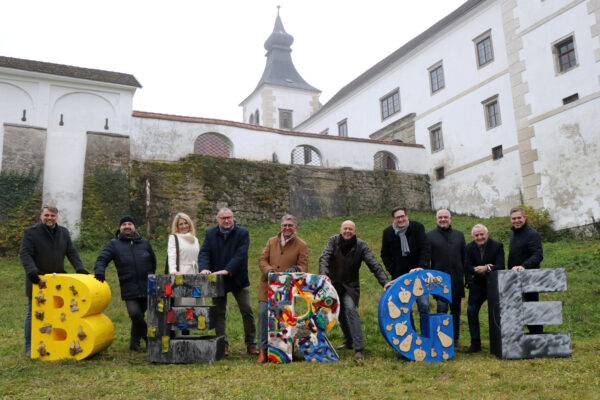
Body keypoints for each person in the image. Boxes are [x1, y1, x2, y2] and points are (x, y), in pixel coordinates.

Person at [19, 205, 89, 356]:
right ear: (41, 216)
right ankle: (29, 346)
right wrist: (31, 271)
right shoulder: (31, 232)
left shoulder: (63, 232)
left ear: (56, 217)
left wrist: (80, 268)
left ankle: (55, 342)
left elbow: (71, 252)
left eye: (52, 216)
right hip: (38, 280)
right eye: (46, 215)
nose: (49, 218)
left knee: (59, 314)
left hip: (58, 281)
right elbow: (25, 253)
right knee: (34, 313)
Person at [319, 220, 392, 360]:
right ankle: (349, 341)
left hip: (350, 286)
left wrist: (385, 282)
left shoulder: (361, 245)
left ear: (355, 231)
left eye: (351, 229)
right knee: (338, 314)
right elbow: (324, 257)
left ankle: (359, 348)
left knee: (350, 309)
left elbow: (374, 264)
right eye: (345, 228)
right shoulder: (333, 241)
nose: (348, 231)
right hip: (333, 285)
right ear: (341, 230)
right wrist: (323, 274)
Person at [198, 208, 257, 357]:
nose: (226, 220)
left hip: (238, 278)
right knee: (219, 313)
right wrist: (204, 268)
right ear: (218, 219)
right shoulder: (210, 233)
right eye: (223, 218)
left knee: (247, 310)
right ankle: (222, 345)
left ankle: (251, 344)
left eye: (229, 217)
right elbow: (204, 252)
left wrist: (227, 270)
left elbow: (240, 255)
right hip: (217, 280)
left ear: (233, 218)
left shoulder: (243, 233)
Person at [94, 216, 156, 351]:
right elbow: (102, 259)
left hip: (147, 285)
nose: (127, 226)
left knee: (139, 315)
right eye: (124, 224)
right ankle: (149, 338)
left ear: (134, 226)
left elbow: (153, 261)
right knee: (134, 313)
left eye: (130, 224)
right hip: (129, 285)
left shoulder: (144, 243)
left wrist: (152, 277)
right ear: (120, 227)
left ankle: (134, 343)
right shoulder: (114, 244)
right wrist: (100, 270)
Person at [257, 214, 308, 363]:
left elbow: (304, 266)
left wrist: (296, 268)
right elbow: (262, 260)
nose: (287, 228)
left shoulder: (302, 245)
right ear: (281, 227)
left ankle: (284, 349)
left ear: (295, 228)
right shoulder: (271, 241)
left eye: (290, 225)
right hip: (267, 287)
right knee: (263, 315)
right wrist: (269, 271)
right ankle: (262, 351)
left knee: (284, 320)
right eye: (284, 225)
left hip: (286, 290)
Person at [381, 207, 430, 329]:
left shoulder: (417, 228)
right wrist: (393, 270)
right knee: (405, 308)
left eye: (403, 216)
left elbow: (425, 248)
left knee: (423, 305)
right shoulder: (387, 233)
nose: (401, 219)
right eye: (398, 217)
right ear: (393, 219)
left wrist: (421, 266)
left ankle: (426, 334)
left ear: (407, 216)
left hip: (418, 274)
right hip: (400, 277)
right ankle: (412, 337)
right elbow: (384, 255)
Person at [426, 209, 466, 345]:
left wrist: (467, 278)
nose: (443, 219)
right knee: (442, 309)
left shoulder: (459, 235)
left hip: (456, 279)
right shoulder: (429, 236)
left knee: (456, 311)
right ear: (436, 219)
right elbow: (427, 259)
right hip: (438, 281)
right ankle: (441, 339)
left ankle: (455, 339)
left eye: (445, 217)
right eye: (440, 217)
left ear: (450, 218)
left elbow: (464, 258)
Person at [464, 224, 505, 353]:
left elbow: (501, 265)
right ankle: (475, 343)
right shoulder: (468, 248)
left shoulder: (498, 246)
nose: (480, 237)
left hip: (494, 284)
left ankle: (501, 342)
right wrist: (482, 269)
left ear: (487, 234)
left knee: (498, 313)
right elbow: (467, 266)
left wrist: (487, 268)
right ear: (473, 236)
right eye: (476, 235)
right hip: (477, 285)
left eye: (482, 234)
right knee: (471, 311)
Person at [507, 206, 544, 334]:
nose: (516, 220)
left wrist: (524, 266)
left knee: (532, 308)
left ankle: (537, 336)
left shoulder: (532, 234)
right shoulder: (513, 233)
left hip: (530, 277)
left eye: (519, 218)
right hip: (515, 278)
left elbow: (538, 255)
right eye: (514, 218)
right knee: (518, 308)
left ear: (525, 218)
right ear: (510, 219)